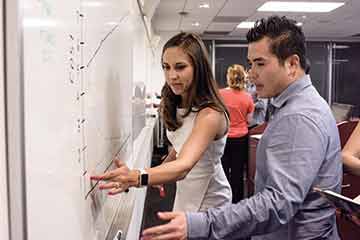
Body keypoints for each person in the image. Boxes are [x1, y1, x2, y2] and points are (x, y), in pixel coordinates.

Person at [142, 15, 342, 240]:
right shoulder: (301, 106)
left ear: (292, 64)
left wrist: (201, 224)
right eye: (250, 64)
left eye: (260, 63)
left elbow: (277, 204)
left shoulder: (299, 117)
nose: (251, 73)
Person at [91, 32, 232, 212]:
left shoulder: (210, 114)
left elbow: (184, 166)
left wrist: (136, 177)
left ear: (199, 68)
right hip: (187, 192)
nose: (171, 75)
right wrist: (162, 170)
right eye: (166, 67)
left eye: (180, 67)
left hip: (211, 199)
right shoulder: (179, 102)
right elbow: (181, 145)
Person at [220, 64, 254, 203]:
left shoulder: (220, 94)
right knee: (237, 172)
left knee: (222, 172)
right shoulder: (247, 98)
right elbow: (249, 121)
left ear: (229, 78)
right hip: (240, 139)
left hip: (223, 138)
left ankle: (222, 201)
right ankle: (237, 203)